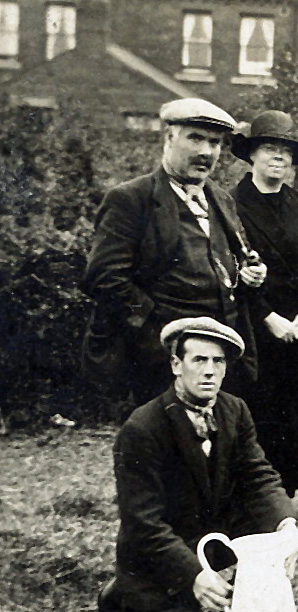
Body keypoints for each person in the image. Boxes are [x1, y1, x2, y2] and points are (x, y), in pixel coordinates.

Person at [96, 317, 298, 612]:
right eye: (198, 360)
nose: (209, 371)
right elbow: (143, 523)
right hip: (156, 559)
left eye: (218, 361)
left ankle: (224, 586)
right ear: (176, 365)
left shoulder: (234, 410)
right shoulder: (142, 427)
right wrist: (193, 575)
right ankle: (119, 598)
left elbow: (258, 476)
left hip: (211, 538)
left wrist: (286, 527)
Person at [82, 98, 267, 405]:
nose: (205, 152)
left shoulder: (221, 200)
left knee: (215, 446)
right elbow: (104, 278)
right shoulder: (131, 199)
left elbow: (236, 259)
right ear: (169, 139)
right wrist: (157, 333)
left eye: (214, 142)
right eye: (195, 138)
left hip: (219, 360)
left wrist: (249, 274)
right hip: (161, 360)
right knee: (161, 447)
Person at [231, 110, 298, 495]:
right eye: (270, 148)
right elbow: (222, 270)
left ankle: (282, 517)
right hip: (251, 337)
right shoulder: (230, 205)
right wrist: (266, 316)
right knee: (253, 427)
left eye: (286, 151)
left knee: (292, 433)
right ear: (252, 153)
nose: (279, 158)